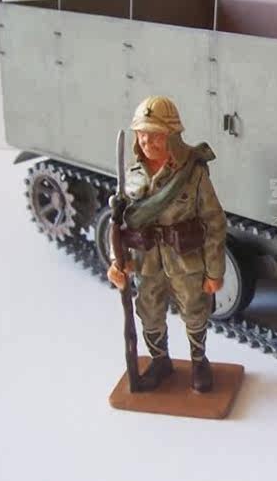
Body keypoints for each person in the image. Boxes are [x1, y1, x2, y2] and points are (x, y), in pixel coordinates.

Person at [107, 96, 227, 393]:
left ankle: (198, 362)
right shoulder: (131, 176)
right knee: (149, 311)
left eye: (155, 135)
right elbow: (119, 225)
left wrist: (214, 271)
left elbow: (214, 221)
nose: (147, 141)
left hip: (185, 258)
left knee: (194, 311)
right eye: (142, 134)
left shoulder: (192, 174)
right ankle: (160, 361)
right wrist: (116, 261)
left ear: (172, 137)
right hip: (146, 260)